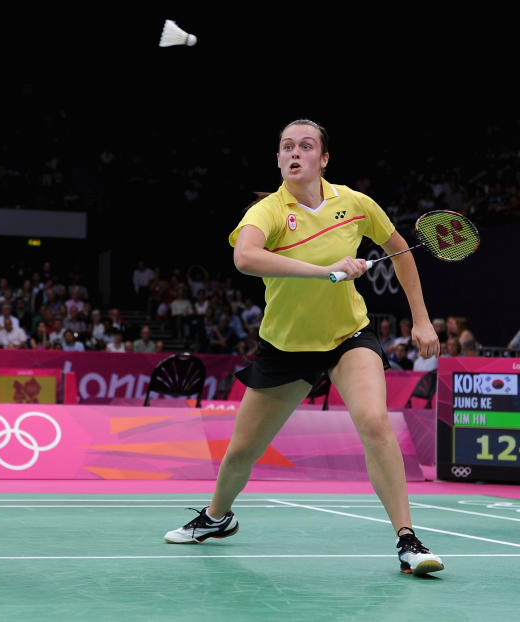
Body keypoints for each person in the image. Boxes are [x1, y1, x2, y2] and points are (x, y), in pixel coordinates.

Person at [163, 119, 444, 576]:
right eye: (287, 147)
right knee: (240, 453)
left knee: (374, 422)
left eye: (306, 146)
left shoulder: (355, 203)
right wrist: (326, 270)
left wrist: (421, 318)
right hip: (287, 347)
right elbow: (244, 257)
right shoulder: (269, 211)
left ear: (323, 159)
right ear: (278, 159)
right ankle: (217, 518)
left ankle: (407, 539)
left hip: (347, 336)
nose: (295, 153)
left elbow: (402, 250)